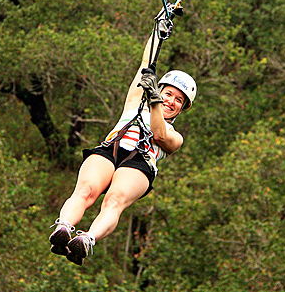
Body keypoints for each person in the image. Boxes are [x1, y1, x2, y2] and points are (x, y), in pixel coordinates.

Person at [48, 31, 197, 265]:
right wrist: (159, 30)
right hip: (111, 149)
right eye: (168, 94)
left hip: (139, 163)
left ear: (182, 109)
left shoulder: (175, 137)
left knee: (114, 200)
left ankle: (87, 240)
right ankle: (64, 228)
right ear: (162, 89)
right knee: (86, 190)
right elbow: (147, 62)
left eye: (178, 100)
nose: (171, 101)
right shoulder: (135, 103)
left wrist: (156, 98)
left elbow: (159, 134)